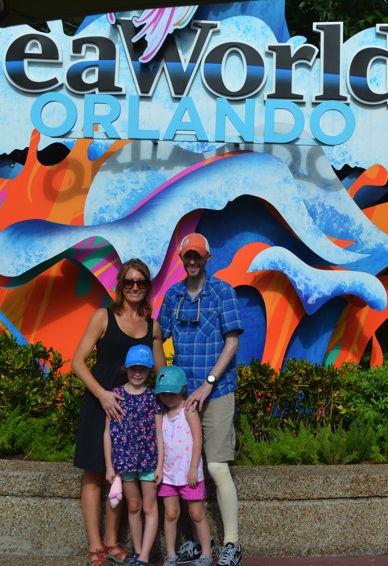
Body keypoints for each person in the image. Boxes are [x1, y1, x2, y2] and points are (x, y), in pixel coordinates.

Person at [158, 233, 244, 566]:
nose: (192, 261)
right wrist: (161, 377)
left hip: (216, 391)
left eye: (197, 256)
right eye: (187, 256)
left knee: (216, 465)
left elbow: (232, 342)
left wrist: (209, 383)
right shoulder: (173, 296)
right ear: (182, 259)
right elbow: (157, 336)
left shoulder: (223, 292)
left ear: (207, 258)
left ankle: (232, 544)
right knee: (182, 467)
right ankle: (197, 543)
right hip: (181, 399)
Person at [73, 258, 162, 566]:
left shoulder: (152, 327)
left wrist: (176, 409)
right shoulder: (102, 316)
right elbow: (77, 363)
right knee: (95, 473)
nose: (135, 287)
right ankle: (95, 545)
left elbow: (161, 375)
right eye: (129, 282)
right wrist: (102, 395)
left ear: (148, 288)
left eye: (141, 283)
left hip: (131, 412)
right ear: (121, 286)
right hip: (100, 403)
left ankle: (112, 541)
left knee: (122, 474)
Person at [104, 345, 162, 566]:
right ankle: (138, 553)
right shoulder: (115, 396)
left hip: (149, 461)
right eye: (133, 368)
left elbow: (159, 433)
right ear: (126, 368)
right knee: (134, 506)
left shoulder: (153, 397)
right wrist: (110, 466)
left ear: (149, 371)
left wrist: (160, 465)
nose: (138, 373)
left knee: (149, 507)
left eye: (143, 369)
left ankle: (145, 555)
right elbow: (107, 433)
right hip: (125, 462)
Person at [155, 365, 213, 566]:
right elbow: (160, 442)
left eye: (171, 392)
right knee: (170, 514)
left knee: (196, 513)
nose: (167, 397)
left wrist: (192, 468)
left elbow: (198, 438)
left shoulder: (188, 410)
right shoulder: (161, 415)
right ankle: (170, 554)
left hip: (190, 474)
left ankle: (207, 553)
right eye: (163, 393)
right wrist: (159, 469)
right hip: (169, 474)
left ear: (182, 390)